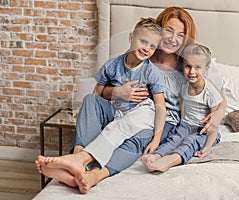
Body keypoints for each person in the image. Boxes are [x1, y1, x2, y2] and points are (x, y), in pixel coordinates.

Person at [36, 7, 226, 194]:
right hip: (126, 111)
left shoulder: (188, 66)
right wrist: (118, 92)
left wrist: (216, 117)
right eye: (168, 30)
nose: (172, 38)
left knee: (139, 137)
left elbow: (218, 98)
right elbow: (101, 92)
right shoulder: (138, 56)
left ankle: (95, 174)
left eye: (180, 34)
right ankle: (77, 159)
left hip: (162, 121)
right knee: (91, 101)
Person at [35, 17, 166, 186]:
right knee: (89, 100)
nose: (147, 48)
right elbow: (96, 95)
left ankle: (79, 160)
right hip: (119, 113)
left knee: (116, 128)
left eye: (152, 46)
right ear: (131, 37)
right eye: (143, 41)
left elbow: (160, 106)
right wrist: (113, 96)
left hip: (144, 113)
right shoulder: (112, 65)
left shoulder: (151, 71)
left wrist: (156, 139)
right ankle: (78, 157)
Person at [141, 43, 223, 172]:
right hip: (186, 125)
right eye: (188, 66)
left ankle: (171, 160)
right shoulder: (185, 86)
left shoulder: (210, 92)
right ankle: (155, 156)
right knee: (173, 139)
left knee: (190, 141)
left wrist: (207, 147)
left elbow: (214, 125)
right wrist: (181, 124)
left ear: (207, 69)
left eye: (197, 67)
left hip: (204, 131)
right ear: (182, 66)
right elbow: (183, 106)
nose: (192, 72)